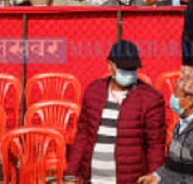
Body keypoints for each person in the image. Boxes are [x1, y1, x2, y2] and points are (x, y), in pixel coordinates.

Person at [66, 40, 166, 184]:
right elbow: (83, 135)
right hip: (93, 178)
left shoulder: (150, 99)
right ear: (110, 66)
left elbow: (155, 145)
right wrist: (70, 173)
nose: (129, 73)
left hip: (130, 179)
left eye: (133, 69)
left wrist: (155, 176)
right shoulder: (94, 92)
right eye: (124, 69)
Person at [138, 66, 193, 184]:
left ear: (191, 101)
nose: (173, 98)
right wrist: (157, 176)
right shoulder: (184, 123)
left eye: (177, 95)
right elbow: (173, 166)